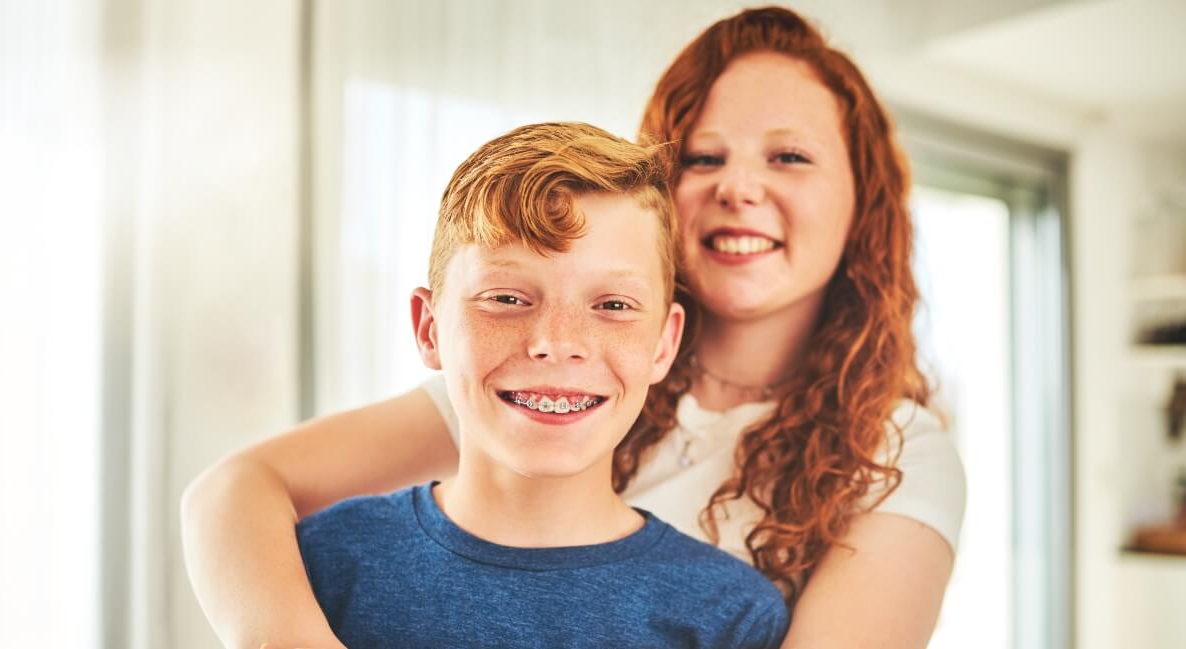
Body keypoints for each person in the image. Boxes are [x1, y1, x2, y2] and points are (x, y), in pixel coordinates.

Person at [181, 7, 965, 649]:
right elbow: (234, 492)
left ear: (863, 201)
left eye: (789, 157)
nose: (740, 187)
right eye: (701, 156)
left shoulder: (896, 453)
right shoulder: (530, 378)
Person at [292, 121, 789, 649]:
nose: (556, 342)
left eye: (613, 305)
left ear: (663, 345)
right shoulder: (320, 563)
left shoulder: (731, 617)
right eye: (506, 299)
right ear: (429, 328)